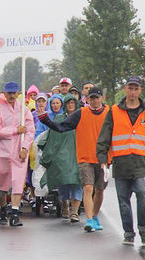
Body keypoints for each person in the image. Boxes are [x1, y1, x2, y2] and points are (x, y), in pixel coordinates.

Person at [97, 76, 145, 246]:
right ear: (125, 89)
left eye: (136, 89)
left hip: (142, 163)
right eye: (130, 88)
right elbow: (105, 135)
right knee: (123, 200)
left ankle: (143, 230)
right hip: (121, 162)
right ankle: (128, 232)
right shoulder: (114, 110)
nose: (132, 92)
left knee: (142, 193)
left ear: (140, 90)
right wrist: (103, 158)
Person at [38, 86, 110, 232]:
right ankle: (89, 220)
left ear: (102, 98)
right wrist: (46, 120)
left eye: (97, 98)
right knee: (88, 187)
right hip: (85, 158)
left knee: (99, 190)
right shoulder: (81, 113)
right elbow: (62, 127)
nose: (95, 101)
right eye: (92, 98)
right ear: (87, 99)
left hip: (103, 158)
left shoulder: (110, 113)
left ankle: (95, 216)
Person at [0, 82, 35, 227]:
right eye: (9, 93)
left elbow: (30, 130)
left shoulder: (24, 111)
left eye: (14, 93)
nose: (12, 95)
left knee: (18, 181)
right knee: (1, 184)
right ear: (5, 94)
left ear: (18, 93)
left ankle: (14, 213)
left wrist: (25, 147)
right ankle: (2, 209)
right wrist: (15, 130)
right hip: (0, 151)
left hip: (19, 151)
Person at [40, 94, 82, 222]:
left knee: (77, 182)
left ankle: (74, 211)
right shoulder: (59, 118)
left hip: (78, 154)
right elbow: (53, 135)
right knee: (63, 181)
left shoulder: (82, 117)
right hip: (62, 155)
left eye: (72, 103)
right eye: (68, 103)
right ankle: (64, 203)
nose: (70, 105)